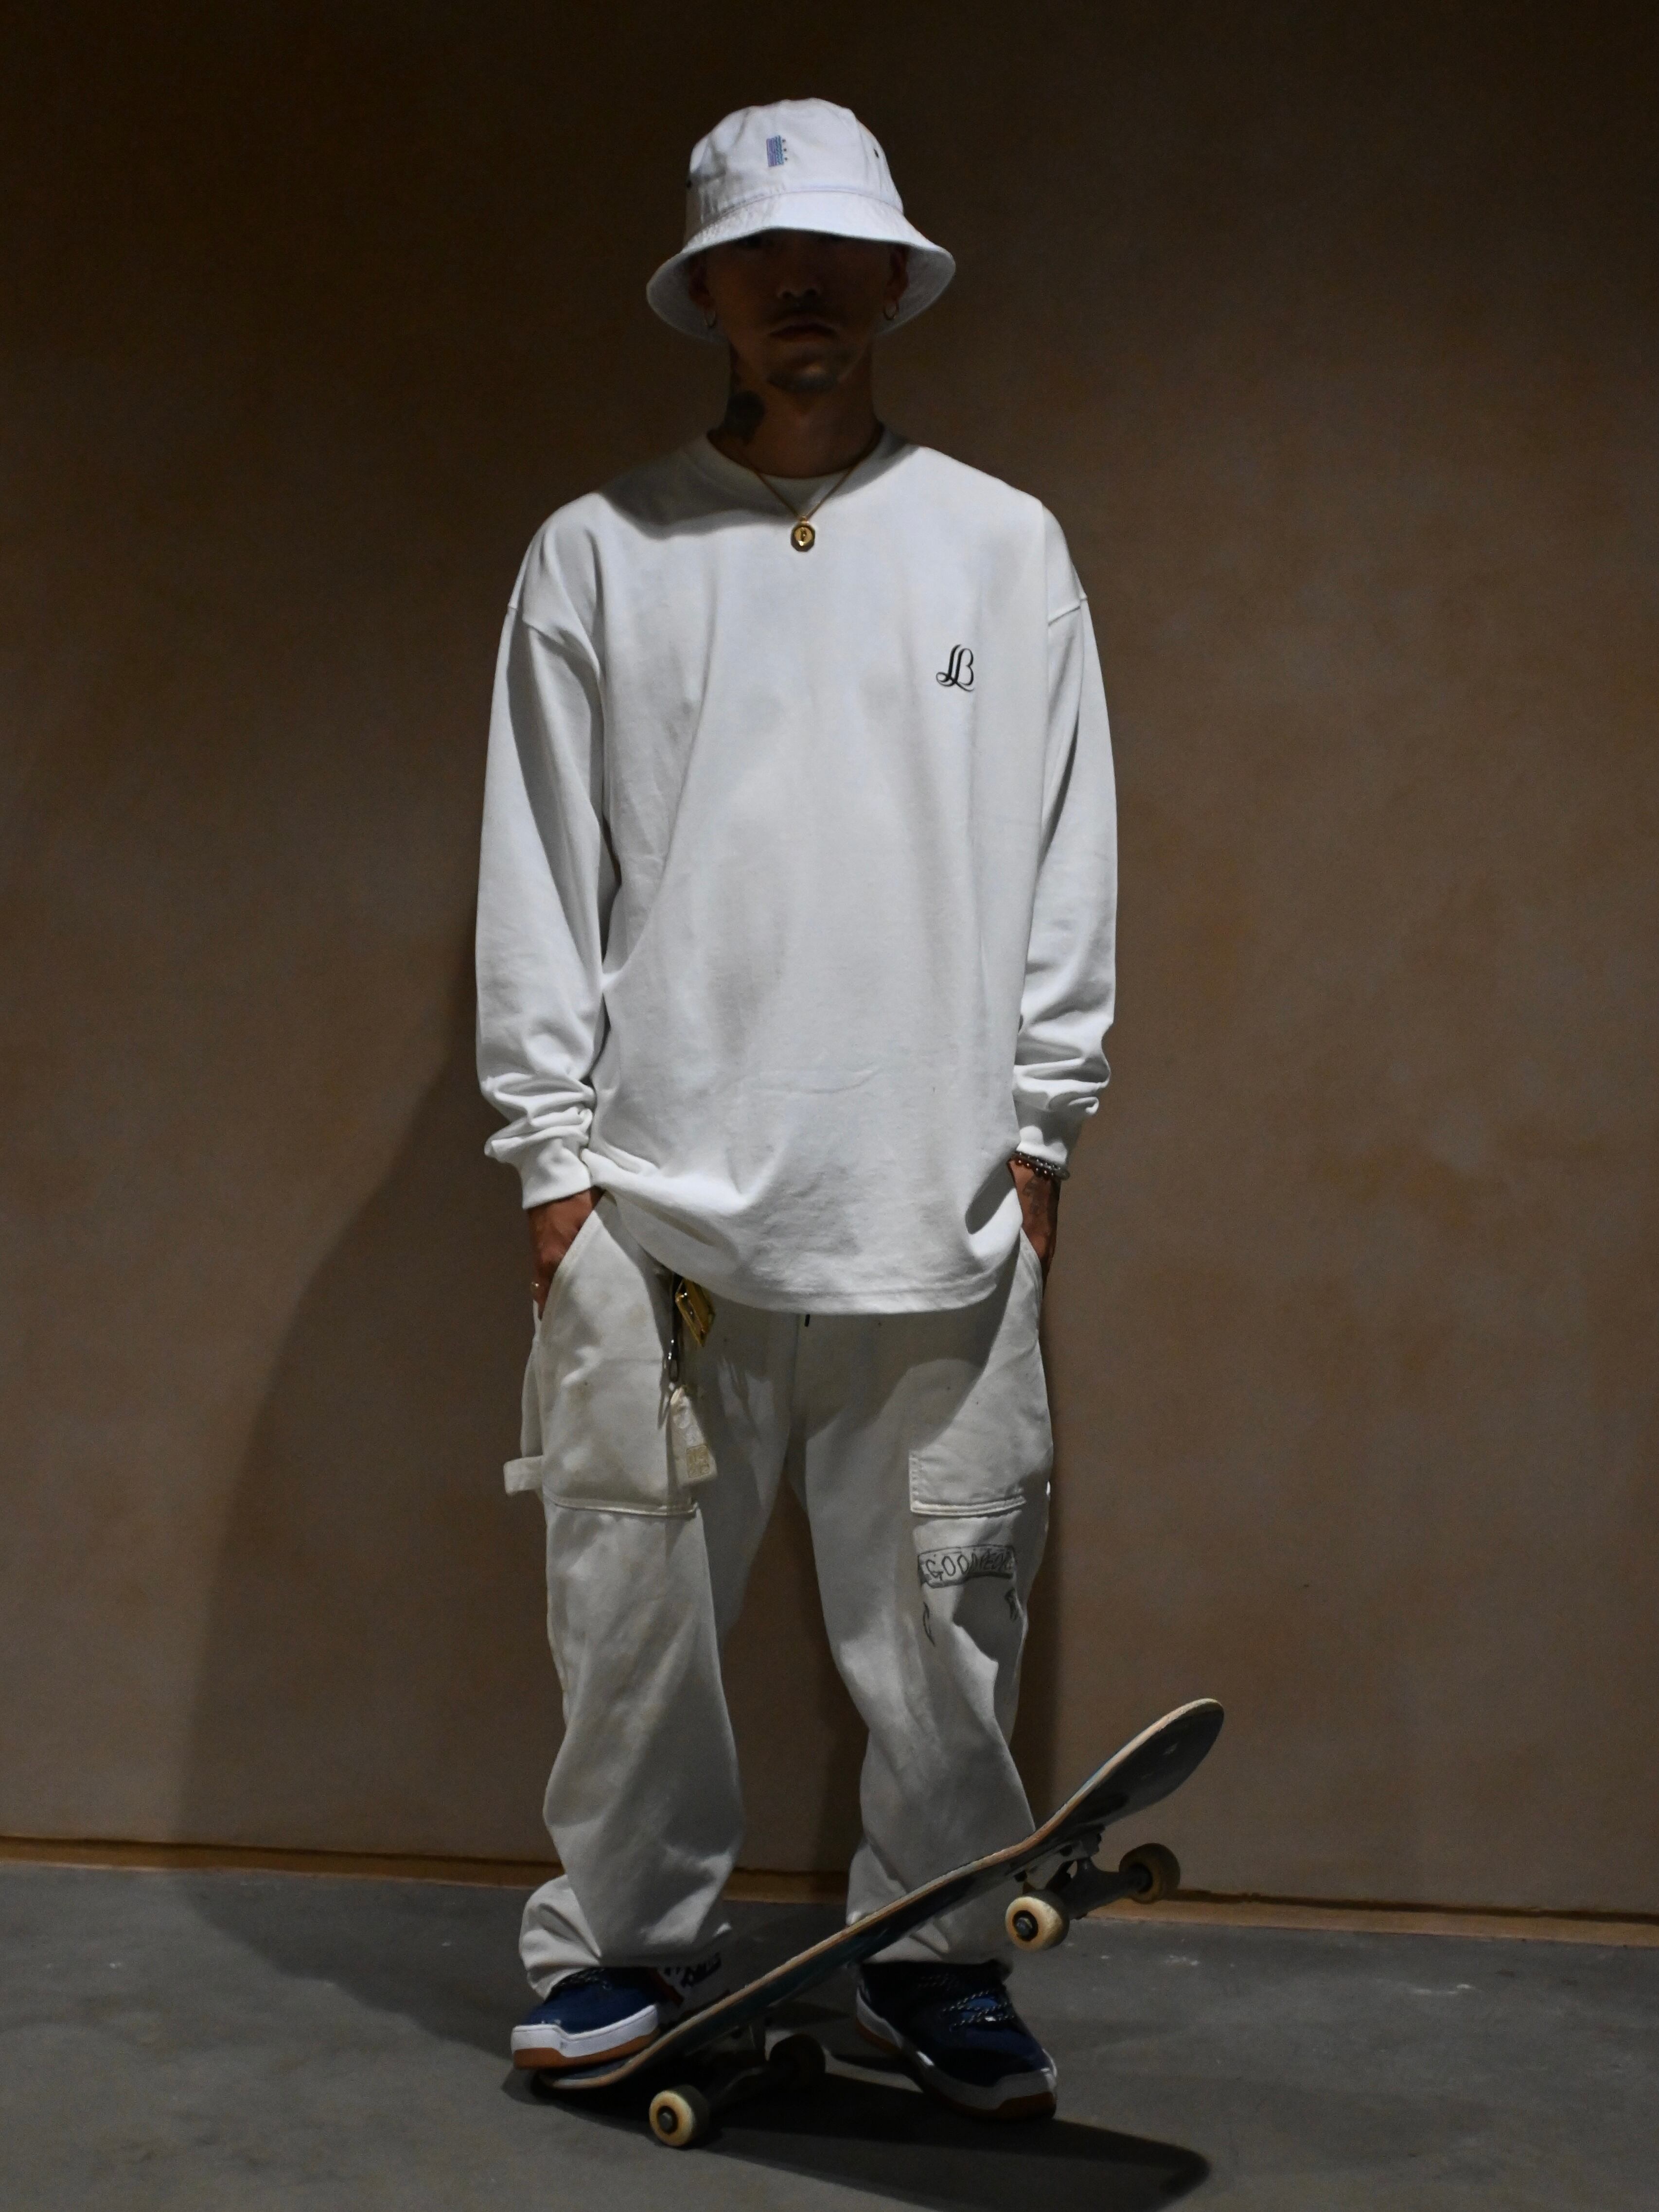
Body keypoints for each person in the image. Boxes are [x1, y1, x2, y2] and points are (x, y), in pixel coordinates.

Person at [475, 97, 1116, 2121]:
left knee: (946, 1615)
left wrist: (1038, 1131)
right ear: (710, 294)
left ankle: (937, 1959)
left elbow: (1068, 849)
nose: (805, 288)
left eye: (839, 254)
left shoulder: (1001, 545)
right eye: (765, 259)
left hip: (936, 1200)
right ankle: (620, 1946)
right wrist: (553, 1167)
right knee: (631, 1615)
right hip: (655, 1208)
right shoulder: (600, 551)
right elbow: (533, 867)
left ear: (894, 281)